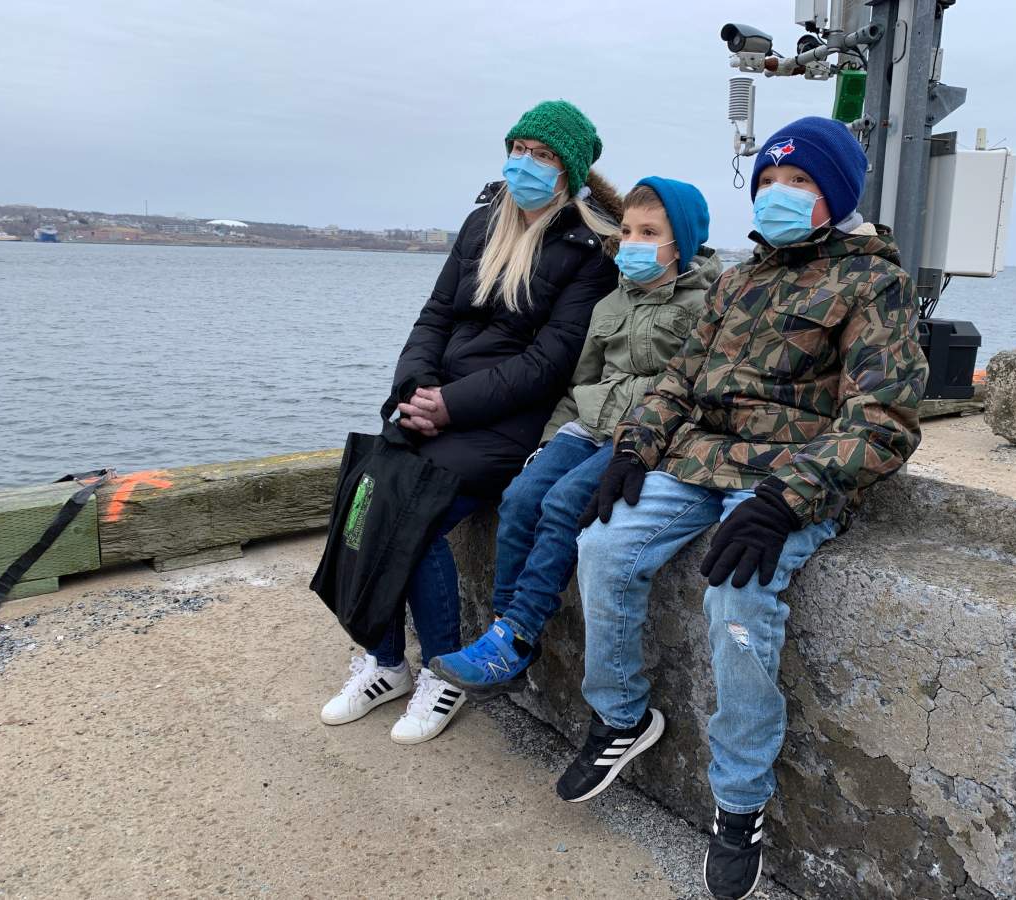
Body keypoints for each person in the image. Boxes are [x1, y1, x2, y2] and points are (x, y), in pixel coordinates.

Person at [556, 117, 929, 900]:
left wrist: (786, 500)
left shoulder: (873, 283)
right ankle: (621, 716)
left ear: (836, 194)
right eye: (767, 182)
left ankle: (740, 798)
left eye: (799, 182)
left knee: (737, 597)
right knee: (603, 544)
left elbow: (883, 420)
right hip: (701, 459)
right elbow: (679, 379)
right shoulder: (736, 281)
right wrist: (633, 447)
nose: (777, 194)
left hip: (791, 475)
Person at [320, 100, 621, 745]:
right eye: (518, 148)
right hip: (441, 402)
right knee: (366, 490)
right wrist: (415, 389)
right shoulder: (483, 222)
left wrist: (451, 406)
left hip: (508, 423)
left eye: (542, 155)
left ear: (568, 169)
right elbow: (435, 316)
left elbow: (549, 362)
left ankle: (442, 672)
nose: (525, 163)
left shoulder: (589, 249)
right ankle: (385, 662)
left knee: (416, 514)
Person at [429, 177, 720, 695]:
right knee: (520, 499)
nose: (632, 243)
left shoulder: (705, 305)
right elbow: (581, 382)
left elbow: (692, 387)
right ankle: (504, 635)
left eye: (649, 232)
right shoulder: (610, 303)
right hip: (586, 423)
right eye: (626, 231)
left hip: (640, 433)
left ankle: (517, 635)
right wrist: (547, 442)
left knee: (564, 504)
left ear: (682, 242)